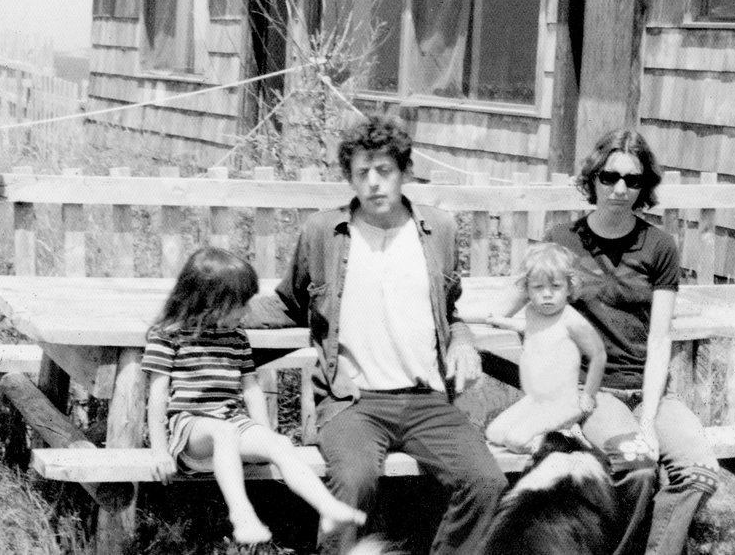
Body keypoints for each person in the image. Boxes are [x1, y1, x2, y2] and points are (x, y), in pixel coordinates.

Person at [244, 114, 507, 555]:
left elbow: (449, 311)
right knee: (353, 481)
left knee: (485, 481)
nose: (373, 183)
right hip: (353, 402)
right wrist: (214, 311)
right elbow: (289, 304)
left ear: (404, 172)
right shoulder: (323, 232)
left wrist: (462, 340)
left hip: (426, 400)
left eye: (384, 170)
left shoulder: (438, 230)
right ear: (349, 178)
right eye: (361, 172)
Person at [498, 129, 721, 555]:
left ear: (644, 186)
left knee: (700, 473)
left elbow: (660, 340)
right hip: (595, 391)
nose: (620, 189)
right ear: (593, 178)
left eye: (632, 180)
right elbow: (512, 301)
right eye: (609, 177)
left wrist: (649, 420)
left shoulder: (659, 246)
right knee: (638, 467)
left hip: (650, 390)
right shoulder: (563, 240)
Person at [142, 247, 366, 545]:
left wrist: (263, 434)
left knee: (279, 443)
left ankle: (327, 507)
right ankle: (242, 516)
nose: (247, 312)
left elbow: (251, 389)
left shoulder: (236, 337)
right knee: (223, 432)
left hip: (231, 424)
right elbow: (157, 396)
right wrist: (159, 451)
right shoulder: (168, 334)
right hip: (190, 430)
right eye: (241, 304)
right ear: (211, 302)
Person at [478, 242, 606, 453]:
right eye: (538, 287)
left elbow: (599, 354)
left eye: (555, 287)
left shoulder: (570, 318)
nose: (547, 294)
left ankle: (567, 443)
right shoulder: (532, 312)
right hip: (537, 398)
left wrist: (588, 395)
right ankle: (552, 434)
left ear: (569, 287)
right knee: (494, 434)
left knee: (516, 440)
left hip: (566, 400)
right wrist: (506, 323)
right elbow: (536, 330)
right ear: (527, 289)